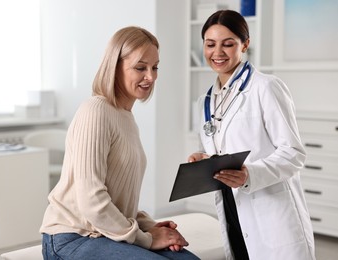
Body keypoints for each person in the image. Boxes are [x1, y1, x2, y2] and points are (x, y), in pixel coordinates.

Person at [40, 26, 199, 260]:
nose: (151, 76)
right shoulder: (95, 111)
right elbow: (91, 199)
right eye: (140, 67)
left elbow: (116, 198)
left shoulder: (125, 117)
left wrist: (149, 225)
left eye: (155, 67)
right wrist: (146, 238)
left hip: (106, 233)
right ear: (114, 67)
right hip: (71, 238)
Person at [188, 10, 316, 260]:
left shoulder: (266, 87)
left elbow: (293, 153)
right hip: (232, 206)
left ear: (245, 44)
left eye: (228, 44)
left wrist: (250, 174)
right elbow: (223, 149)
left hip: (271, 210)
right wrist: (204, 158)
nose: (218, 52)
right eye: (210, 44)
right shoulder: (205, 100)